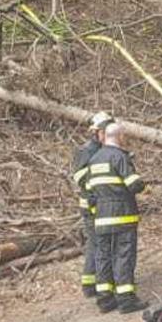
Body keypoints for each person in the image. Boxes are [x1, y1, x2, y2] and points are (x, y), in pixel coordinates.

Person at [79, 122, 146, 313]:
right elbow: (134, 185)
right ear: (119, 137)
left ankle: (105, 300)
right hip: (123, 217)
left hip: (101, 219)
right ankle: (126, 300)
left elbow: (89, 192)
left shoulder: (94, 160)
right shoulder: (119, 157)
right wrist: (143, 185)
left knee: (103, 258)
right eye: (124, 136)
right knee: (123, 256)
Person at [72, 112, 109, 303]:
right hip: (90, 204)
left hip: (102, 203)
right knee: (95, 244)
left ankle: (98, 281)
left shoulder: (103, 149)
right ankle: (89, 284)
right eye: (105, 130)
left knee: (101, 244)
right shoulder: (87, 150)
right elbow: (79, 177)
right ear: (96, 132)